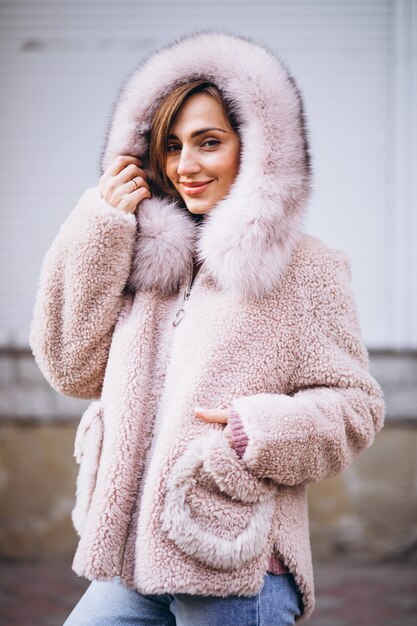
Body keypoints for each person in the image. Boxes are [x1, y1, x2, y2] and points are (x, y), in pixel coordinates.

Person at [29, 31, 385, 625]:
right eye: (170, 147)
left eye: (209, 142)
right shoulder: (145, 263)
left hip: (233, 559)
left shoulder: (307, 267)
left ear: (259, 151)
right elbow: (70, 366)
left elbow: (356, 407)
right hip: (131, 563)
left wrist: (256, 431)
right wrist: (98, 227)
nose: (186, 166)